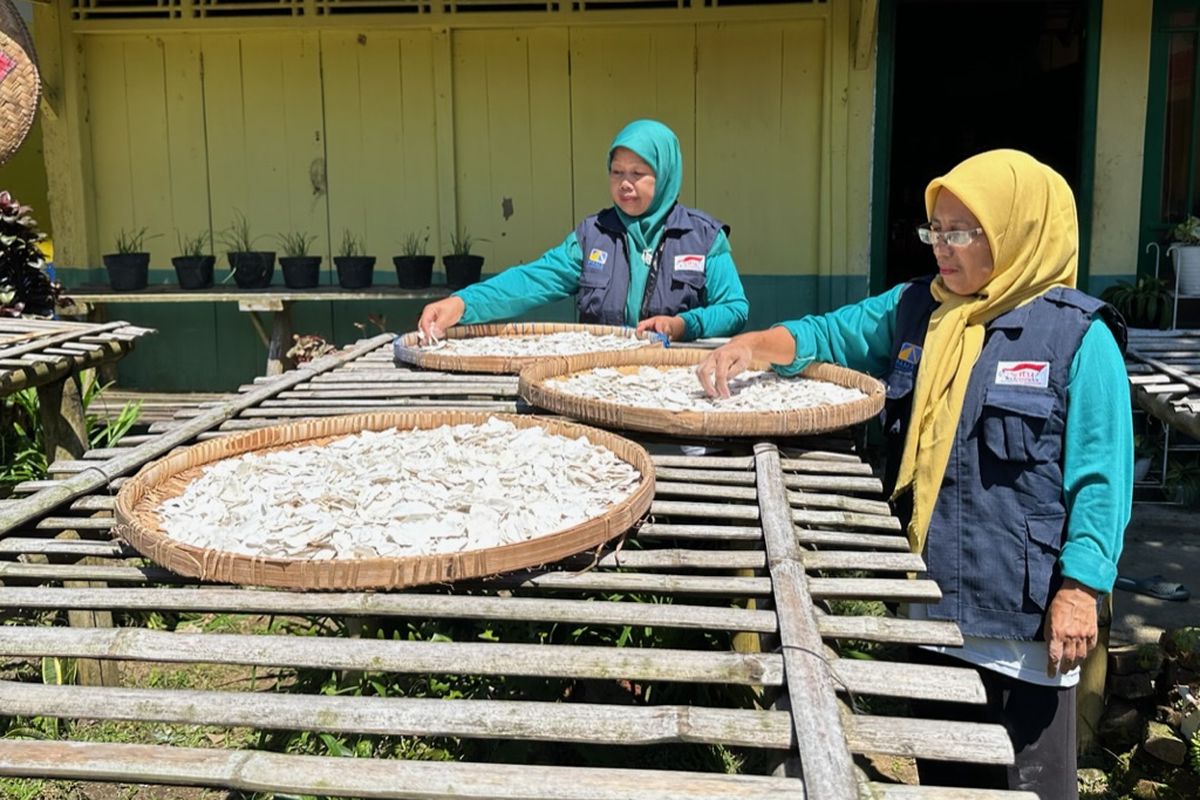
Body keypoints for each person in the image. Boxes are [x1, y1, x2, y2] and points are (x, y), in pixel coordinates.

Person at [696, 149, 1131, 799]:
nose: (942, 249)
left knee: (1029, 785)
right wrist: (755, 345)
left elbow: (1102, 477)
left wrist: (1082, 587)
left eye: (962, 231)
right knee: (947, 782)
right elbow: (831, 334)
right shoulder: (917, 310)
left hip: (1026, 626)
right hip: (932, 611)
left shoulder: (1075, 338)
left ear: (1016, 230)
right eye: (936, 230)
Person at [417, 119, 748, 343]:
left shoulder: (704, 238)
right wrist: (462, 304)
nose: (625, 183)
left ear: (665, 175)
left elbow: (734, 309)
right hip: (600, 385)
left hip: (680, 388)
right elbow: (532, 280)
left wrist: (683, 326)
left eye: (639, 173)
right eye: (616, 172)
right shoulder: (593, 235)